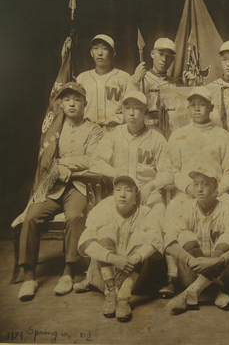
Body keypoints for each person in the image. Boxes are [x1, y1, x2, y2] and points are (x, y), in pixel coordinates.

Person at [17, 82, 104, 301]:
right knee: (31, 217)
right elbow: (47, 159)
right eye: (67, 100)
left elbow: (92, 159)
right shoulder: (55, 130)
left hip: (79, 186)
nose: (72, 104)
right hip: (53, 187)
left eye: (76, 99)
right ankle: (29, 275)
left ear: (85, 102)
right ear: (61, 104)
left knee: (74, 216)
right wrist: (59, 168)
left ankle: (69, 272)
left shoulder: (94, 129)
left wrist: (66, 165)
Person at [161, 86, 229, 298]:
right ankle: (173, 276)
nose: (197, 109)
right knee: (172, 215)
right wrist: (189, 189)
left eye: (202, 104)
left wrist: (216, 191)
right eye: (193, 105)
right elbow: (173, 170)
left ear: (211, 107)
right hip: (188, 194)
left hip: (217, 194)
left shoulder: (223, 136)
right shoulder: (178, 136)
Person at [76, 175, 163, 322]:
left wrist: (129, 260)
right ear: (113, 194)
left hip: (133, 278)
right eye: (118, 190)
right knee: (104, 231)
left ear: (136, 196)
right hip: (103, 276)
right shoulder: (104, 207)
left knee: (143, 237)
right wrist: (113, 259)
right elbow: (86, 242)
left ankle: (123, 297)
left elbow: (156, 242)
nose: (122, 194)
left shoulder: (145, 212)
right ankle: (110, 293)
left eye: (128, 190)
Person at [164, 167, 229, 314]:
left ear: (216, 189)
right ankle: (218, 290)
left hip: (222, 272)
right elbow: (169, 241)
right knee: (184, 235)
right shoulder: (186, 209)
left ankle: (189, 293)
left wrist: (217, 261)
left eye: (205, 184)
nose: (200, 189)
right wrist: (191, 261)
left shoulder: (226, 209)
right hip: (191, 271)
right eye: (196, 184)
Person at [90, 90, 172, 210]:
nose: (131, 113)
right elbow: (95, 163)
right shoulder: (113, 135)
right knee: (100, 219)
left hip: (148, 193)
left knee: (157, 218)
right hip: (119, 193)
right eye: (127, 108)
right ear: (122, 110)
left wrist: (151, 185)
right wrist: (117, 174)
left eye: (137, 108)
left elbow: (168, 173)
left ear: (146, 111)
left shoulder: (157, 138)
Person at [76, 34, 133, 130]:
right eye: (96, 48)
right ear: (91, 52)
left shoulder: (124, 77)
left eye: (105, 49)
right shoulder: (82, 78)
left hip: (116, 129)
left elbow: (130, 108)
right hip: (88, 130)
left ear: (113, 53)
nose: (99, 53)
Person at [130, 37, 181, 117]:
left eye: (168, 56)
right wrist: (135, 81)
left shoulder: (176, 84)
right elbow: (129, 105)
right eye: (161, 54)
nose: (164, 59)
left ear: (173, 59)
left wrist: (188, 87)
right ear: (152, 54)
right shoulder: (139, 78)